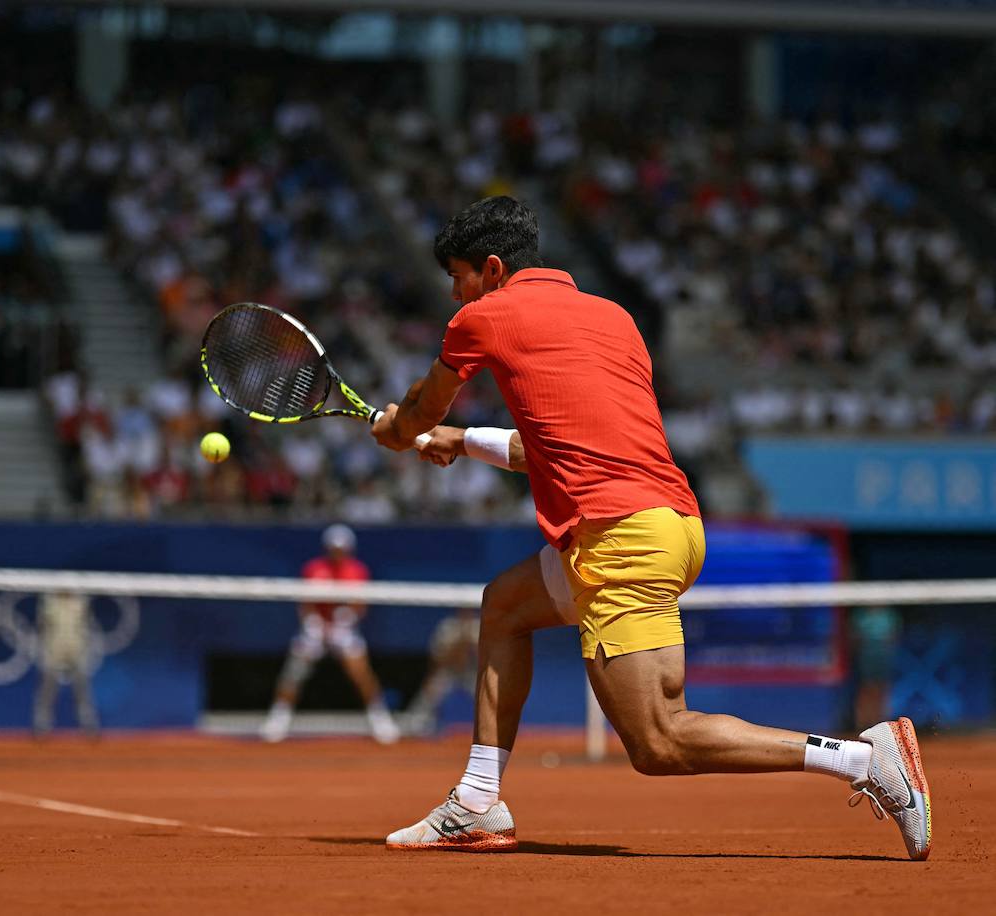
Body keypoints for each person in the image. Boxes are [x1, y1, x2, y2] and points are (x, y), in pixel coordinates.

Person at [369, 196, 931, 858]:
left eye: (457, 278)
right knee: (504, 606)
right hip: (672, 525)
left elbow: (415, 411)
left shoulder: (482, 317)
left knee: (658, 741)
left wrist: (399, 431)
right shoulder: (614, 319)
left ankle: (864, 760)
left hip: (621, 541)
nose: (455, 295)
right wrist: (463, 442)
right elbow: (561, 445)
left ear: (490, 271)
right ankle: (475, 802)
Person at [260, 524, 400, 744]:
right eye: (334, 548)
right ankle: (278, 719)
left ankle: (380, 720)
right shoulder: (313, 568)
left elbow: (360, 605)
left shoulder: (357, 570)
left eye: (342, 548)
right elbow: (305, 603)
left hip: (344, 628)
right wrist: (314, 624)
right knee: (294, 672)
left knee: (360, 672)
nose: (337, 552)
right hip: (314, 628)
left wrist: (343, 620)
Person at [32, 592, 100, 737]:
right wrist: (43, 649)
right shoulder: (49, 602)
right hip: (54, 648)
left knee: (82, 688)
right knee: (47, 688)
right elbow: (42, 627)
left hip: (76, 648)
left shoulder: (81, 602)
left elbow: (87, 625)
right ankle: (42, 724)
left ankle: (88, 724)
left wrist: (86, 646)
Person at [404, 608, 480, 734]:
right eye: (463, 610)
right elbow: (437, 659)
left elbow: (483, 659)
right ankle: (414, 725)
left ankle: (498, 730)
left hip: (471, 672)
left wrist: (469, 644)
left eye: (469, 610)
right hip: (448, 670)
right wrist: (460, 643)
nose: (466, 613)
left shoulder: (478, 626)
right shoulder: (448, 626)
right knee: (430, 692)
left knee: (486, 696)